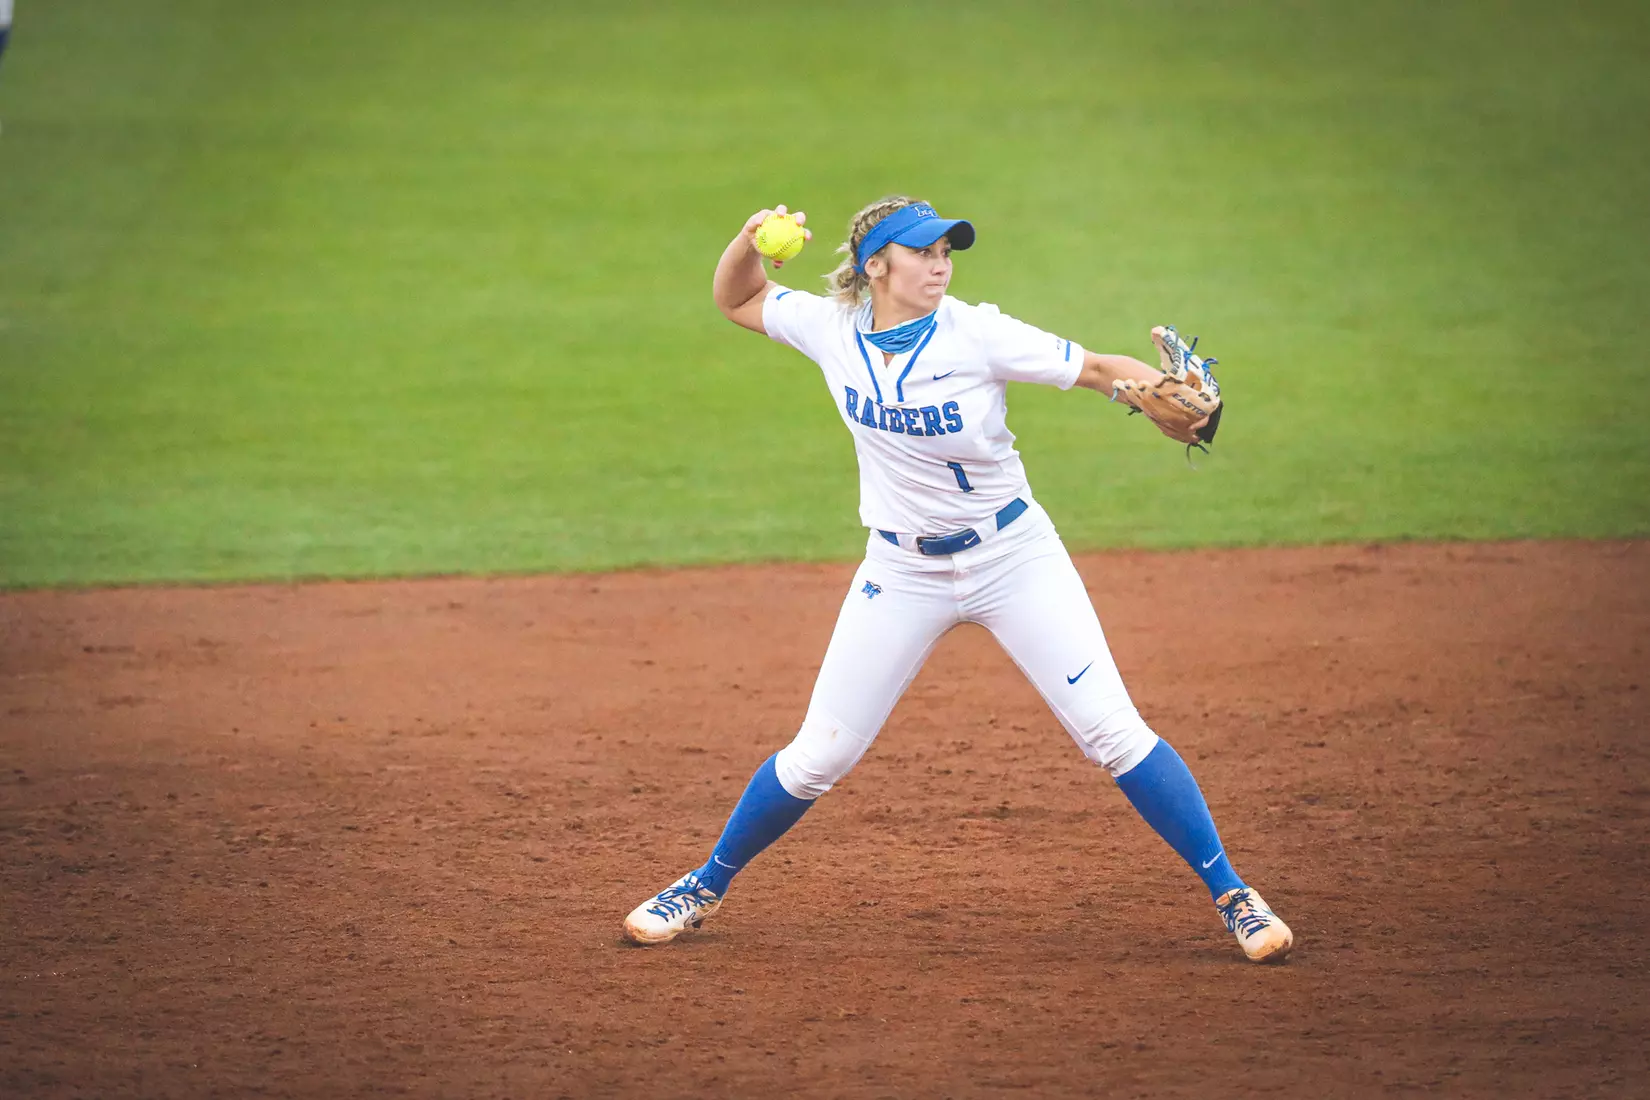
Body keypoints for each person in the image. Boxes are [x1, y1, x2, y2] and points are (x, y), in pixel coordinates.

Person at [621, 197, 1293, 963]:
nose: (941, 263)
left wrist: (1168, 403)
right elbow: (736, 297)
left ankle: (1235, 895)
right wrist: (747, 240)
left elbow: (1103, 370)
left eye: (948, 250)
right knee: (819, 756)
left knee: (1112, 730)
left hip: (1014, 558)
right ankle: (703, 886)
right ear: (877, 266)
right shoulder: (832, 330)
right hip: (902, 568)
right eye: (922, 251)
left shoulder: (977, 333)